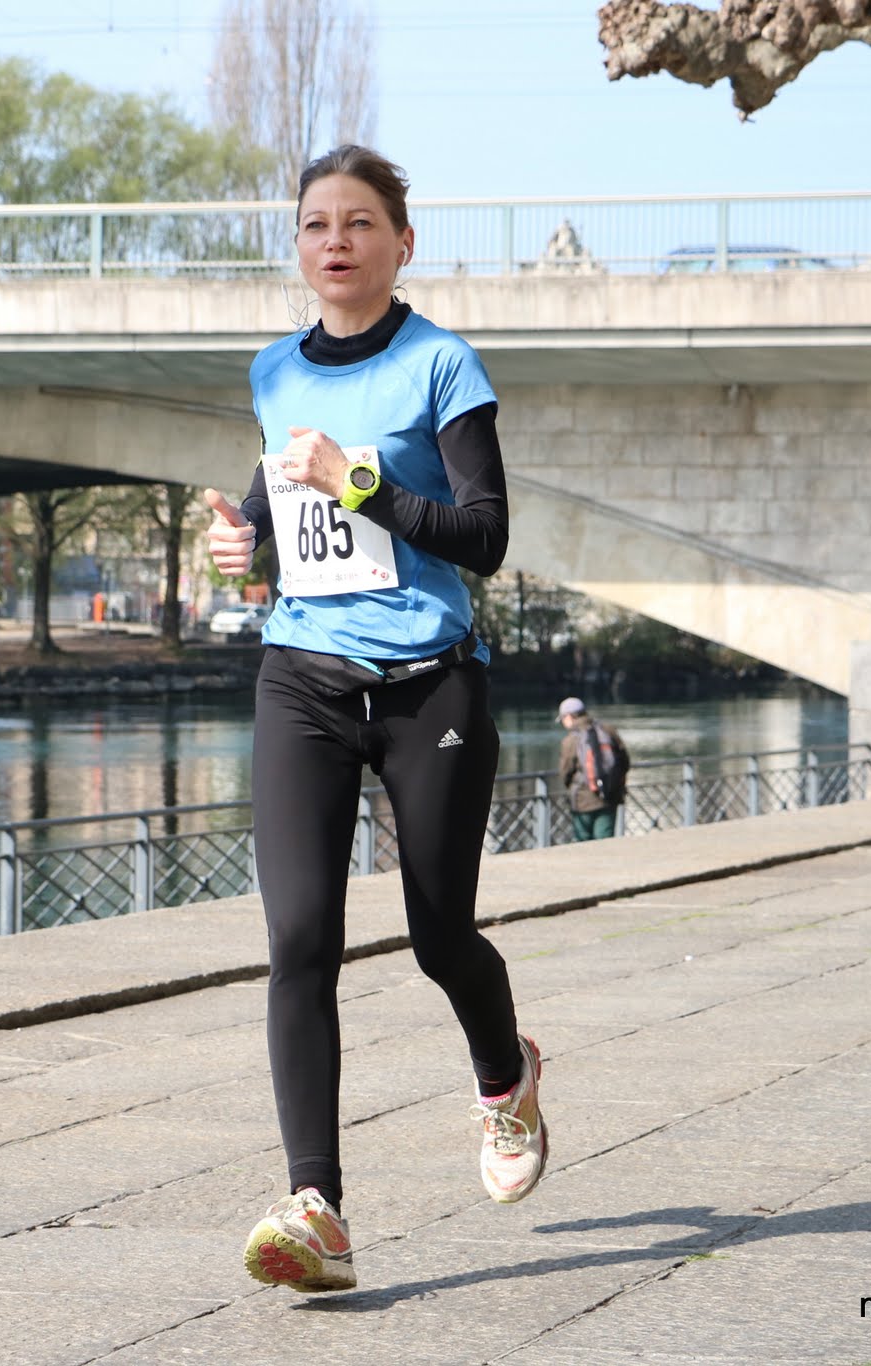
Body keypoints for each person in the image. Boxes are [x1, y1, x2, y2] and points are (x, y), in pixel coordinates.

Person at [203, 145, 546, 1296]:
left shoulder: (440, 363)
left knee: (438, 935)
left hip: (427, 685)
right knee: (300, 937)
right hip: (300, 677)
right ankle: (317, 1209)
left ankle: (503, 1076)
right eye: (315, 224)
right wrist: (240, 535)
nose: (335, 241)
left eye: (358, 222)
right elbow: (278, 495)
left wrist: (362, 485)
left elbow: (484, 536)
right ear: (296, 246)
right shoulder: (272, 370)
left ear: (402, 243)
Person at [556, 697, 629, 840]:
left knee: (582, 843)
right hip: (610, 796)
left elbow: (565, 771)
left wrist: (570, 787)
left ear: (569, 717)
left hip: (582, 800)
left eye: (563, 719)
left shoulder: (571, 740)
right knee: (605, 841)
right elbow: (625, 761)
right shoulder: (608, 731)